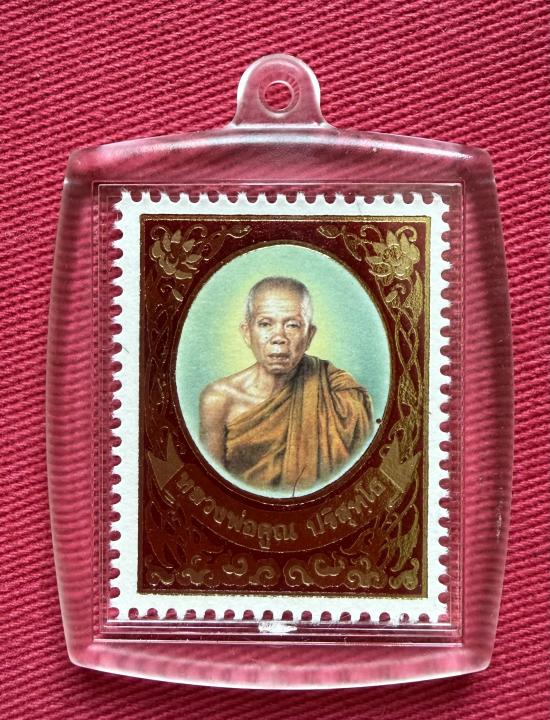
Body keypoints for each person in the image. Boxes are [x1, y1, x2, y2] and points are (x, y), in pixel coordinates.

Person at [199, 276, 373, 496]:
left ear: (309, 335)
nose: (279, 337)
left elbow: (354, 483)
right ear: (247, 332)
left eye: (292, 325)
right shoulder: (219, 400)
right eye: (265, 324)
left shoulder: (339, 394)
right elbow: (213, 489)